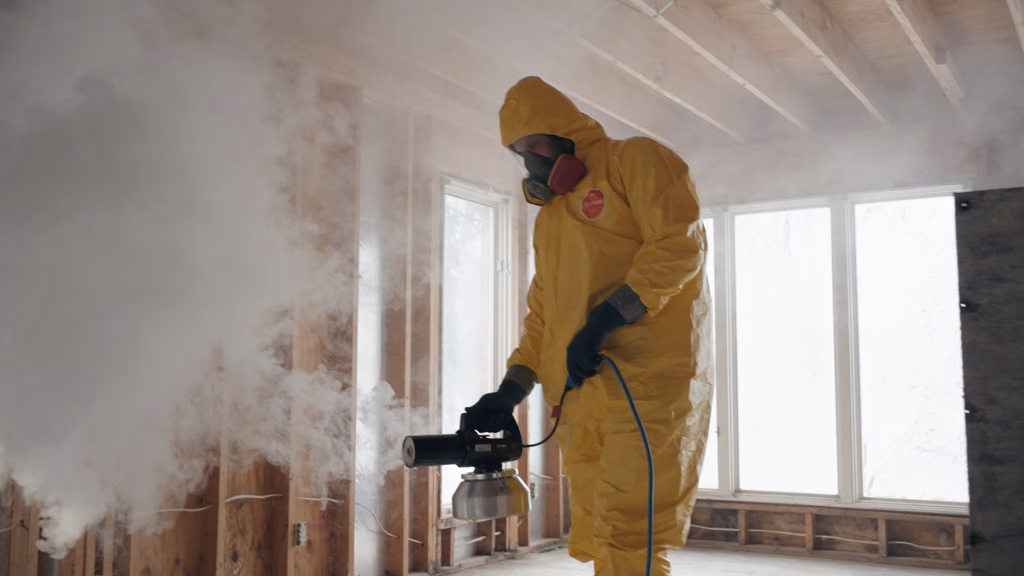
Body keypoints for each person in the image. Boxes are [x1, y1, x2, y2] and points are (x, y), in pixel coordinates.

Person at [466, 76, 713, 576]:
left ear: (563, 133)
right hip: (582, 391)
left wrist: (607, 316)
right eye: (518, 151)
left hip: (642, 377)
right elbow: (544, 314)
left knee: (631, 526)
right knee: (598, 524)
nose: (529, 159)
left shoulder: (634, 161)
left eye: (533, 143)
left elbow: (677, 245)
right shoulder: (552, 217)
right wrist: (511, 389)